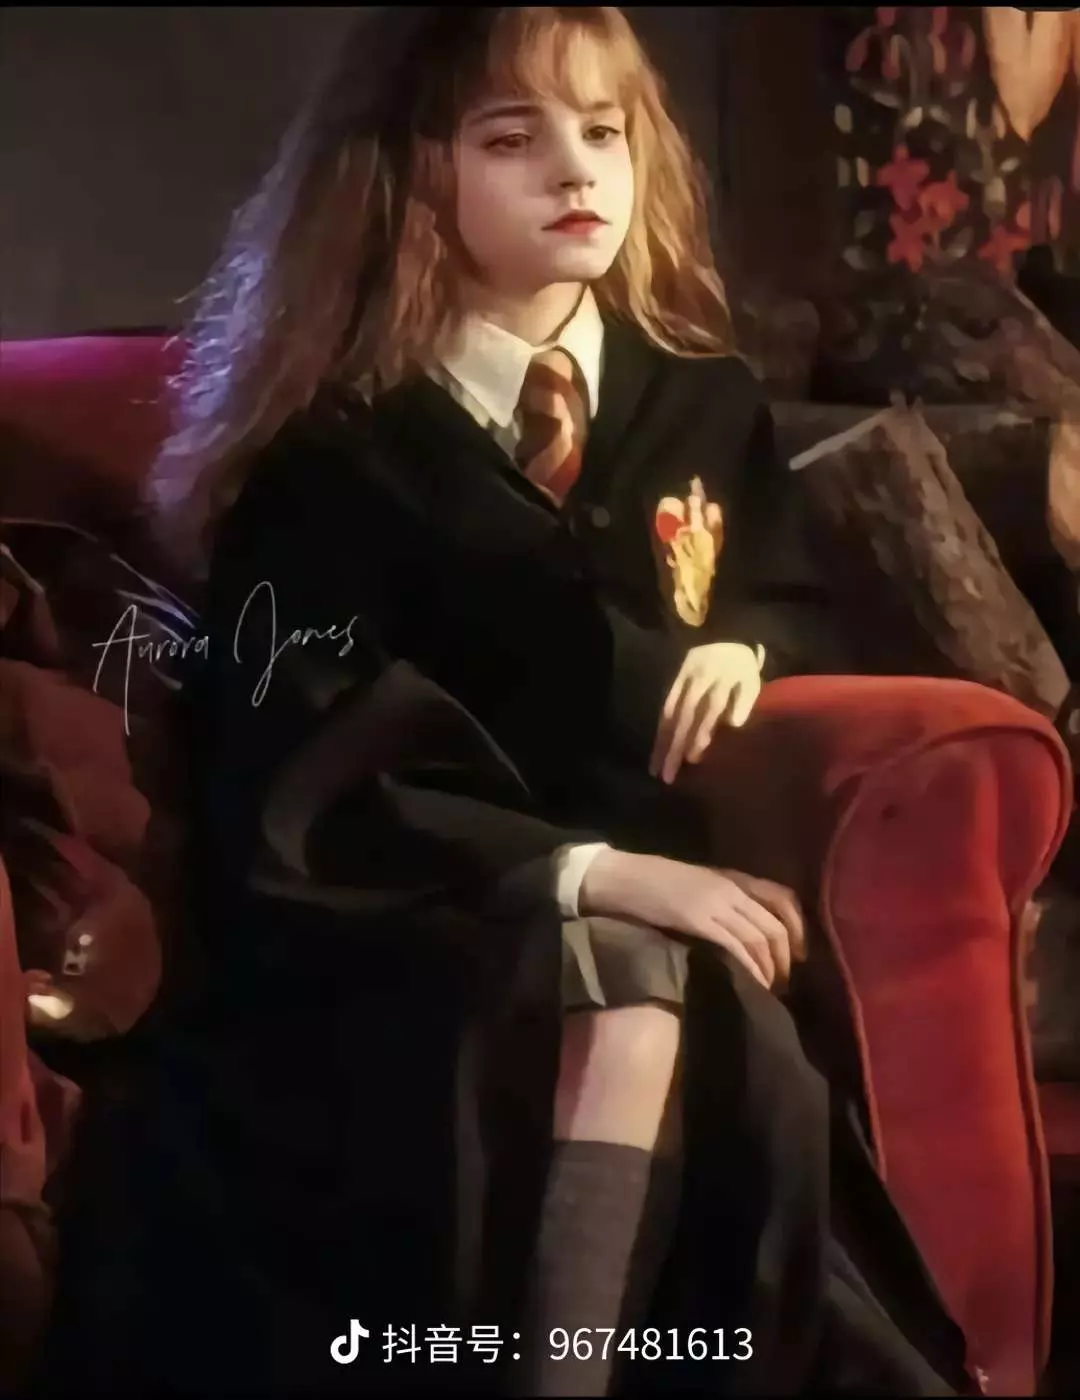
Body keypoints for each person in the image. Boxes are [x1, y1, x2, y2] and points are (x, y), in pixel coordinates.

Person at [67, 7, 972, 1397]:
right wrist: (589, 875)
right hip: (411, 905)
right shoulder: (339, 450)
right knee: (635, 981)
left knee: (699, 1008)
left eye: (603, 132)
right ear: (418, 171)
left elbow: (789, 599)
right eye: (513, 138)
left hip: (669, 883)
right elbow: (304, 757)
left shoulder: (699, 402)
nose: (575, 171)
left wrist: (748, 646)